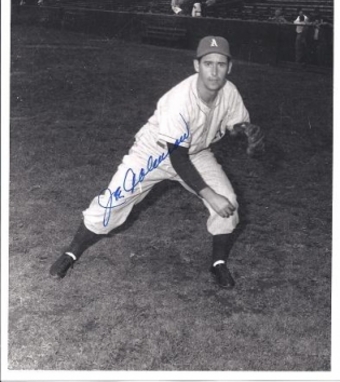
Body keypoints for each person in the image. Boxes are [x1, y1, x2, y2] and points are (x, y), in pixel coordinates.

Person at [50, 36, 265, 289]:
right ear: (197, 65)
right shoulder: (179, 99)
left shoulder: (229, 91)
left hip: (196, 152)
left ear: (230, 67)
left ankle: (218, 264)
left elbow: (233, 124)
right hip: (154, 153)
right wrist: (209, 195)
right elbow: (177, 159)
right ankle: (71, 253)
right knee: (113, 202)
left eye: (220, 64)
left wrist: (246, 130)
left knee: (228, 200)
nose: (214, 71)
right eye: (208, 63)